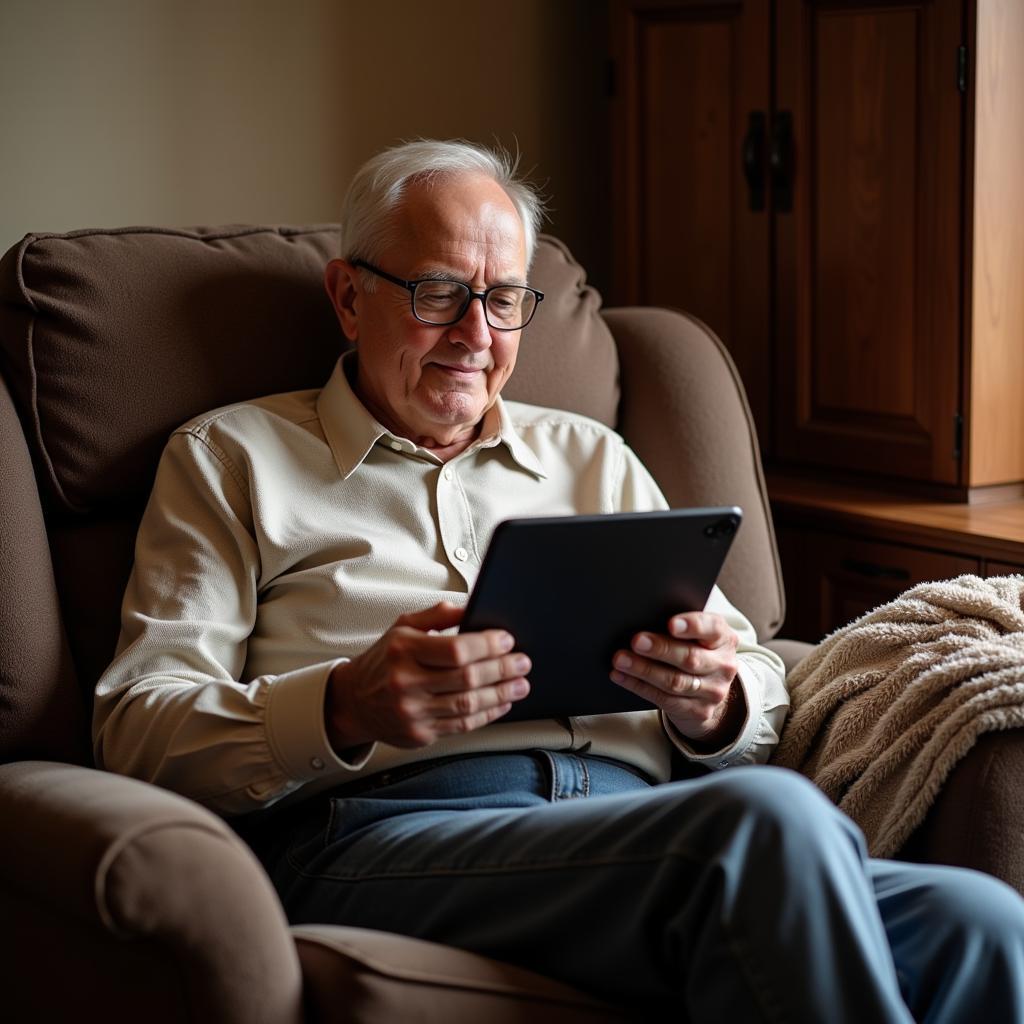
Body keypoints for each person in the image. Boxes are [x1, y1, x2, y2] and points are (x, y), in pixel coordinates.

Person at [93, 139, 1024, 1021]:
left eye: (504, 300)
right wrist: (343, 705)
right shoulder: (231, 459)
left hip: (641, 826)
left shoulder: (593, 456)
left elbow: (758, 674)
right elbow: (137, 725)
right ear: (347, 297)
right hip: (385, 837)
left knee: (984, 926)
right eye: (437, 293)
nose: (476, 333)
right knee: (758, 827)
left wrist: (714, 702)